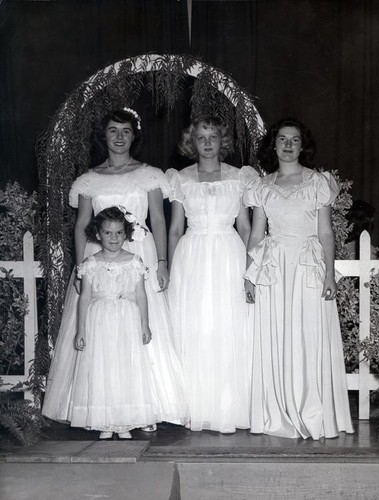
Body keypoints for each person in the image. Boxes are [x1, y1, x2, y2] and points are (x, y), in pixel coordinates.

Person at [42, 108, 188, 429]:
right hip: (99, 256)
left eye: (125, 131)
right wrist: (81, 269)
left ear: (134, 136)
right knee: (101, 329)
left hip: (140, 253)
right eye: (113, 131)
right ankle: (103, 407)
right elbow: (81, 225)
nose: (119, 137)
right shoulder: (89, 180)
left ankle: (147, 407)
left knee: (142, 326)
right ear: (104, 135)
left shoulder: (149, 174)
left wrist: (162, 262)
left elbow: (159, 219)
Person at [244, 117, 354, 439]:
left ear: (301, 145)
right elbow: (255, 234)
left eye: (294, 140)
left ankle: (313, 411)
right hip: (275, 267)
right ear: (273, 145)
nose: (288, 145)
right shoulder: (262, 186)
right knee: (279, 334)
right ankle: (279, 411)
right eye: (282, 139)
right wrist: (249, 277)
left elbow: (325, 231)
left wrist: (329, 275)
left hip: (307, 266)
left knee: (309, 335)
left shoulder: (319, 182)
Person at [166, 115, 258, 433]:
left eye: (213, 137)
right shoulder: (180, 178)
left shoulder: (239, 177)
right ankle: (194, 405)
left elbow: (245, 228)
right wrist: (171, 267)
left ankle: (227, 408)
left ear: (223, 141)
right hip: (191, 256)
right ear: (192, 142)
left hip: (228, 255)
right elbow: (176, 228)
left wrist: (250, 270)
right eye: (200, 137)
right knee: (195, 327)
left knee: (227, 327)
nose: (207, 143)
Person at [69, 207, 158, 439]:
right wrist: (81, 328)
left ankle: (124, 422)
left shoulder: (134, 261)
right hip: (100, 320)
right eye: (108, 233)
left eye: (119, 233)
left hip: (127, 319)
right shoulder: (90, 263)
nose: (114, 238)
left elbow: (141, 295)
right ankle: (105, 422)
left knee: (124, 367)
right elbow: (85, 297)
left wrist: (145, 324)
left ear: (126, 234)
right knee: (103, 367)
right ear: (97, 234)